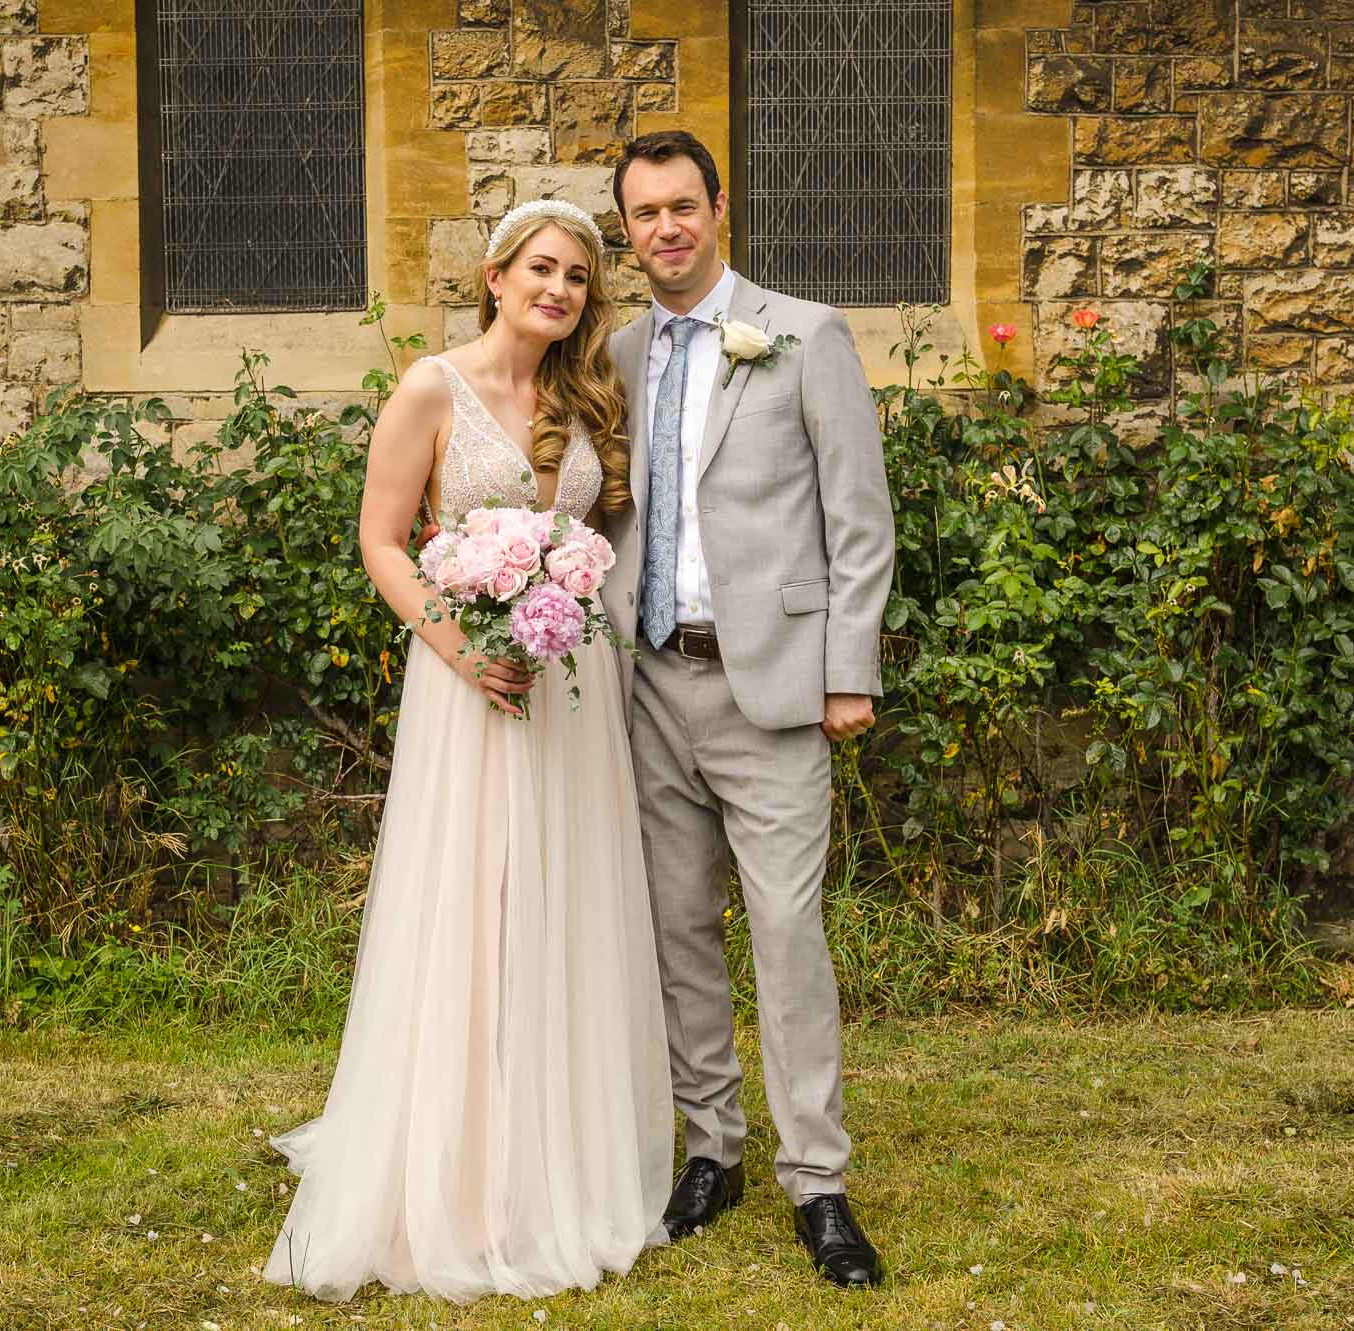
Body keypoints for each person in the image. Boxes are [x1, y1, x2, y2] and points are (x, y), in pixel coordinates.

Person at [263, 198, 672, 1303]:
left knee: (561, 906)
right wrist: (457, 649)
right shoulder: (429, 387)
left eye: (578, 279)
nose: (558, 290)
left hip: (572, 693)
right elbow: (381, 539)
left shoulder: (587, 396)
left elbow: (595, 539)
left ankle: (559, 1156)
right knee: (474, 904)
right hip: (470, 685)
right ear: (494, 275)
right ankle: (461, 1167)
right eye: (541, 269)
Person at [602, 130, 896, 1289]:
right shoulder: (620, 351)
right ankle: (709, 1148)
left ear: (718, 209)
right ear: (624, 230)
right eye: (642, 214)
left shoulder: (800, 332)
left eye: (682, 205)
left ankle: (816, 1180)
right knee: (677, 929)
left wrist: (848, 669)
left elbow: (856, 517)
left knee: (785, 933)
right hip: (647, 682)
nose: (664, 228)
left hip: (770, 686)